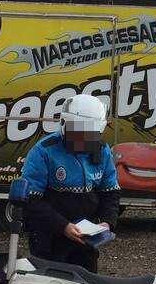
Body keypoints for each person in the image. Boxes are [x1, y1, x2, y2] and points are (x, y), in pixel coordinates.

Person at [20, 94, 120, 272]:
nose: (85, 139)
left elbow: (110, 192)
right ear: (65, 125)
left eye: (91, 133)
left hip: (85, 239)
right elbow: (31, 200)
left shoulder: (101, 150)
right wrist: (63, 226)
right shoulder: (44, 151)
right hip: (49, 238)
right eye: (80, 133)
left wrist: (107, 222)